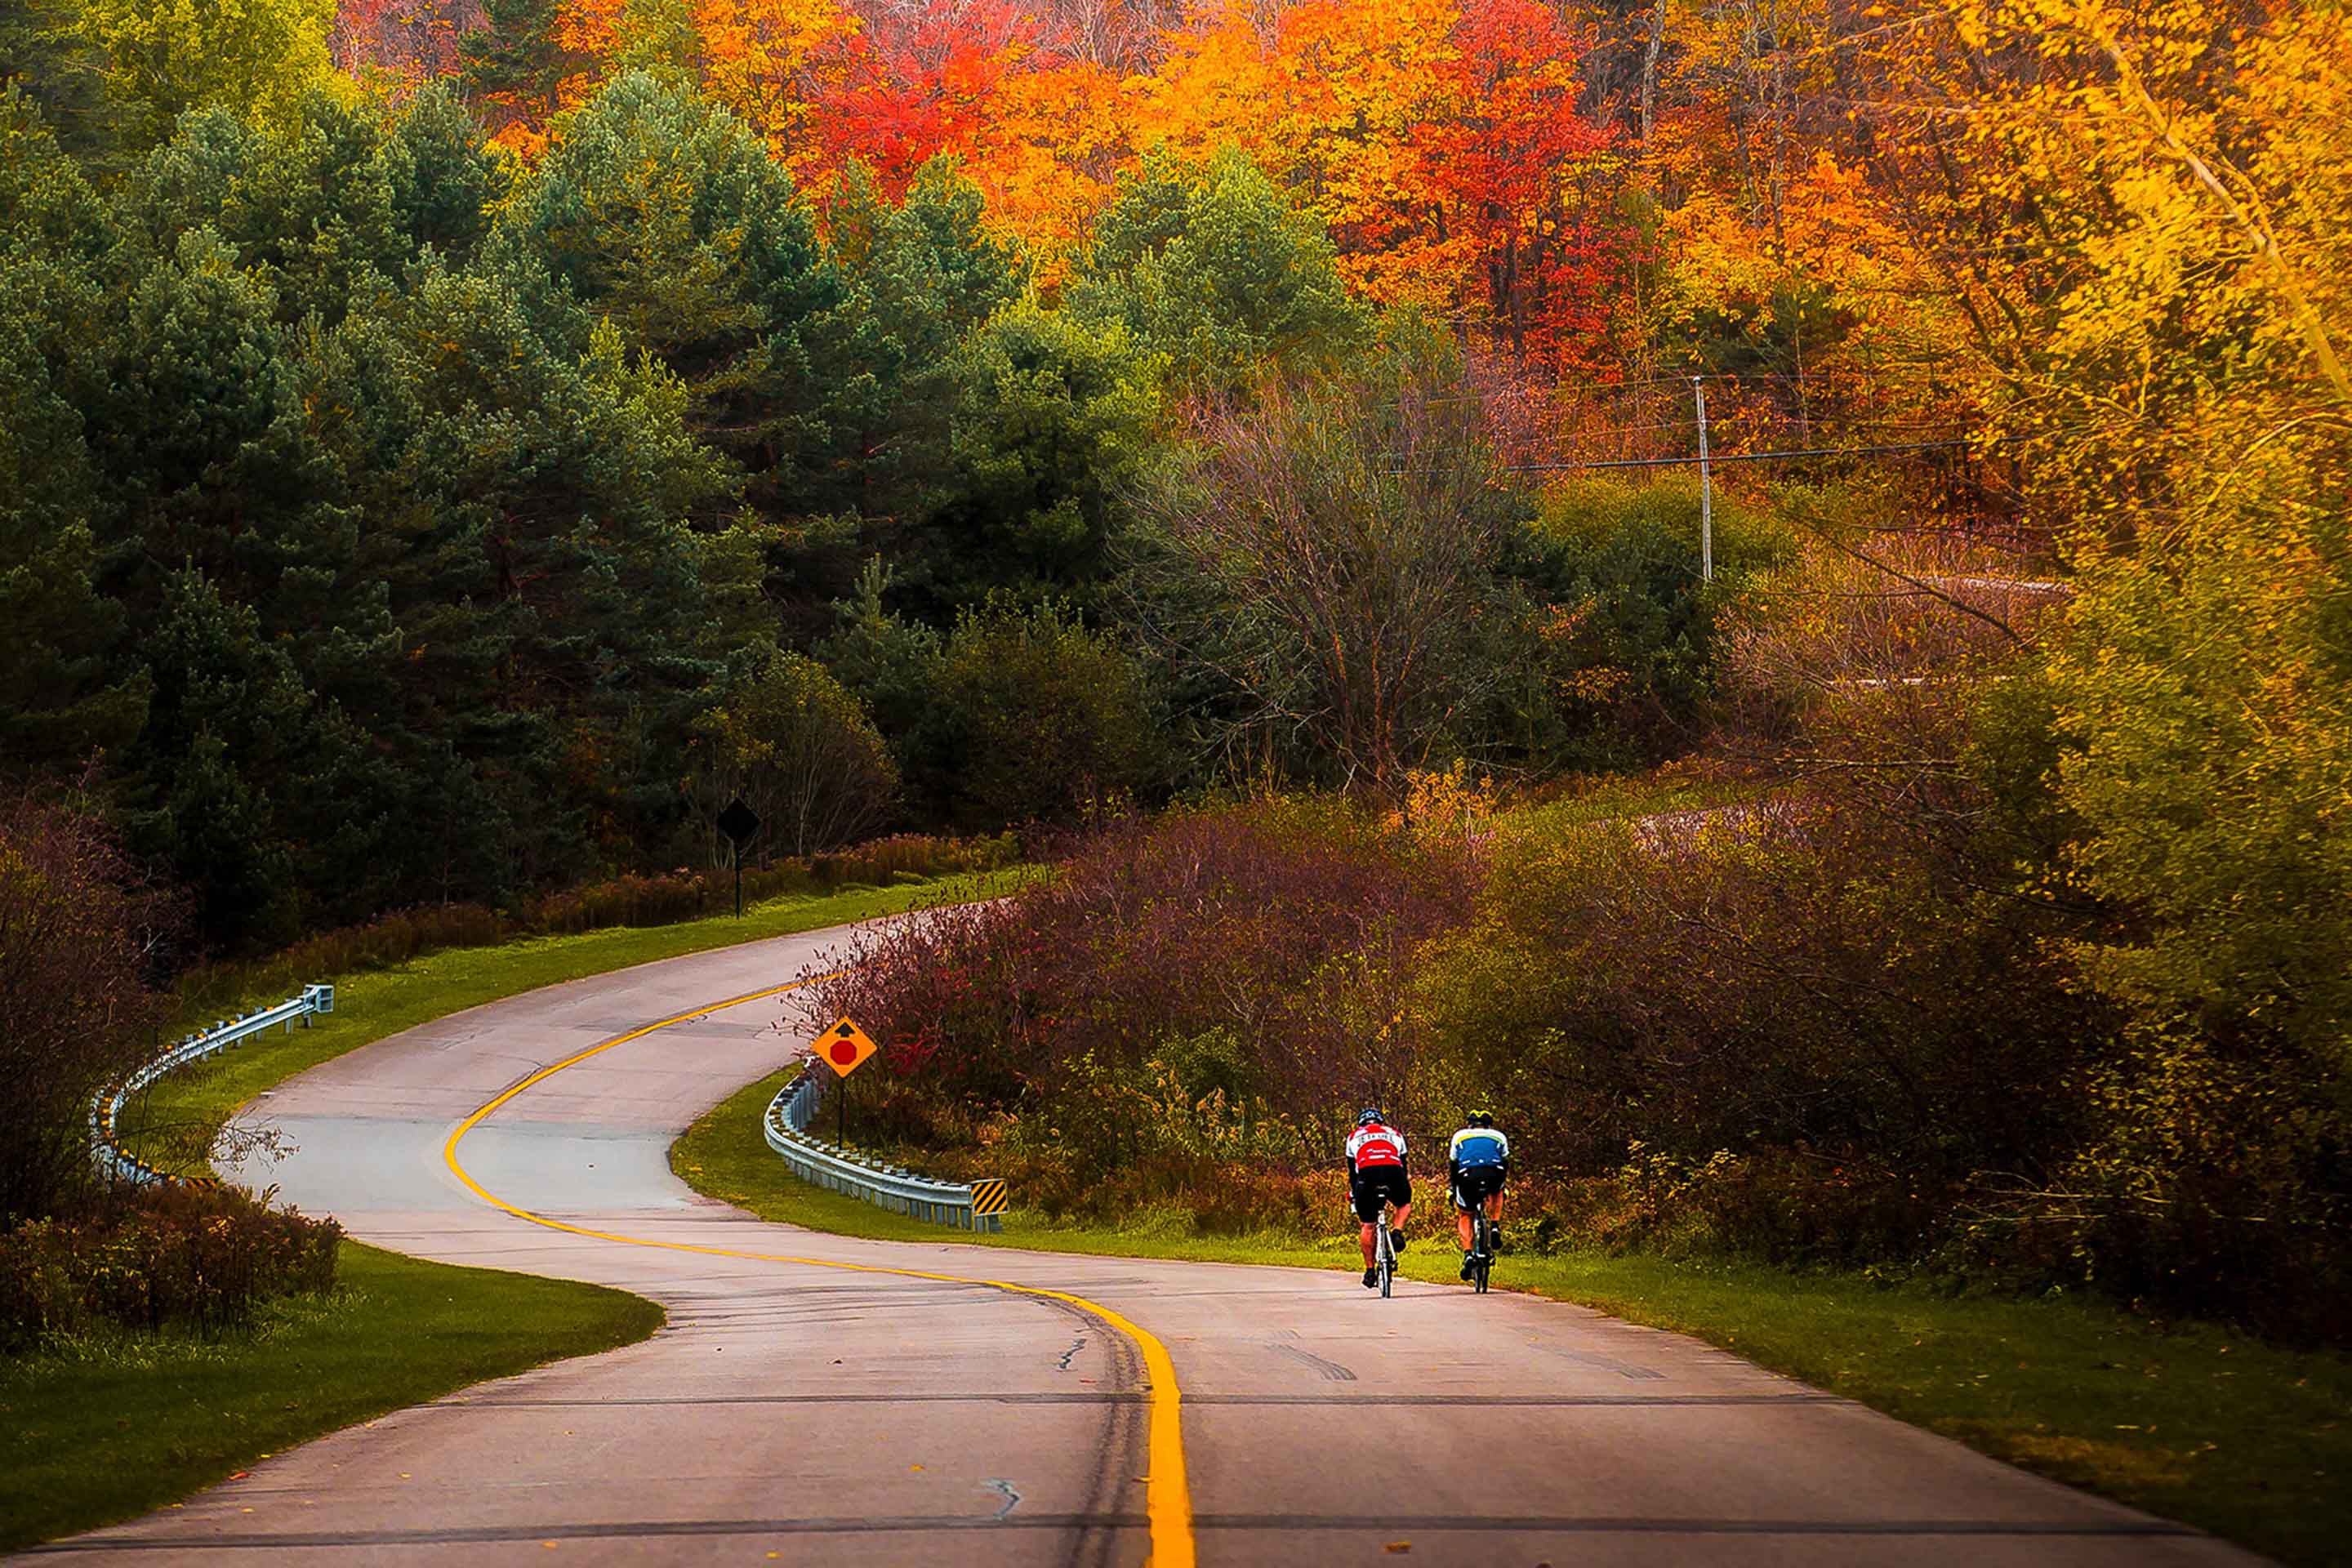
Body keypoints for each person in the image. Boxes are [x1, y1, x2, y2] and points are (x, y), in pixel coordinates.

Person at [1345, 1108, 1413, 1289]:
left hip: (1367, 1175)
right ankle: (1397, 1231)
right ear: (1381, 1122)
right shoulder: (1395, 1133)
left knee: (1368, 1225)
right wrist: (1401, 1184)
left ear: (1361, 1124)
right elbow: (1403, 1164)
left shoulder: (1353, 1136)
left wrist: (1354, 1192)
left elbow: (1353, 1172)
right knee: (1404, 1203)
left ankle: (1369, 1271)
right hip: (1393, 1171)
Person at [1448, 1111, 1510, 1281]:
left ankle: (1468, 1253)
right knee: (1499, 1190)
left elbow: (1453, 1165)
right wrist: (1502, 1182)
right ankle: (1495, 1225)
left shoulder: (1459, 1136)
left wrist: (1453, 1189)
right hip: (1494, 1174)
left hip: (1468, 1176)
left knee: (1465, 1214)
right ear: (1488, 1125)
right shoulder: (1499, 1136)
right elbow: (1505, 1163)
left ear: (1470, 1124)